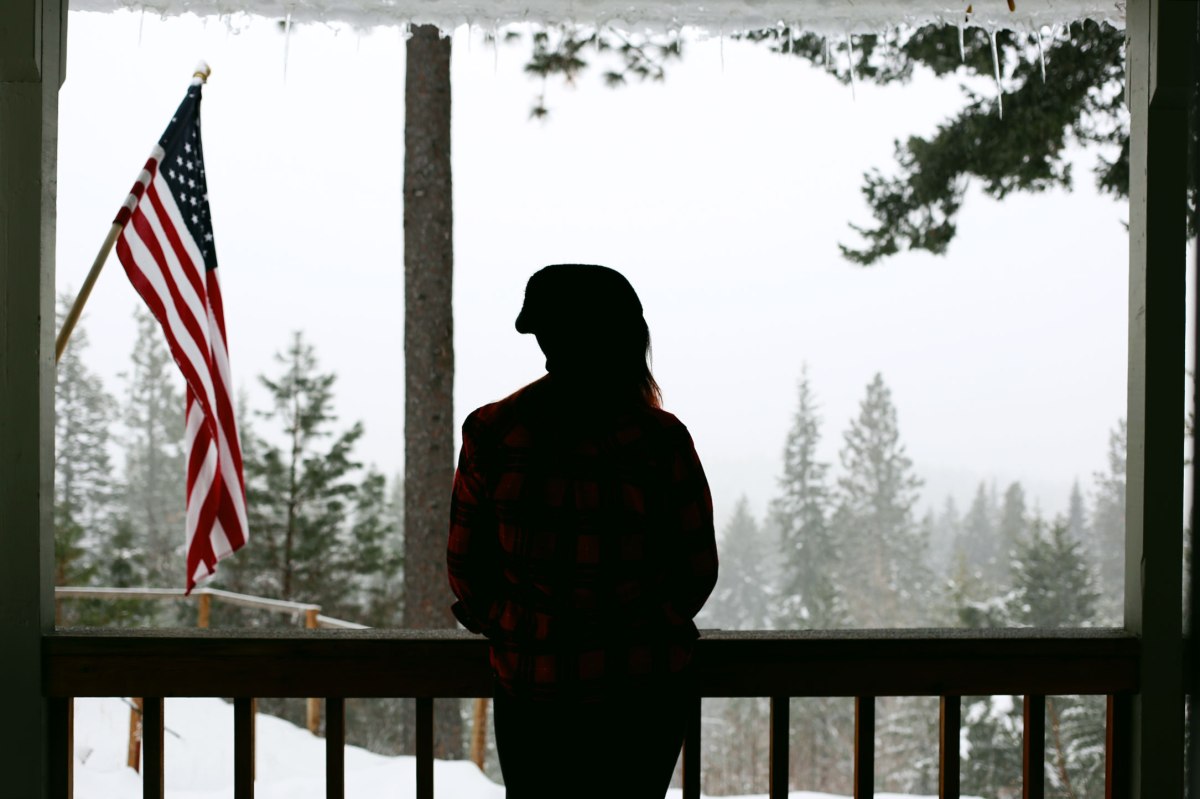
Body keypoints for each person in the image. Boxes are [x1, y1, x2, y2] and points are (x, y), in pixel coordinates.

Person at [447, 264, 719, 799]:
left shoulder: (495, 431)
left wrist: (519, 626)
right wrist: (637, 626)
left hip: (532, 687)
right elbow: (696, 572)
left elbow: (467, 572)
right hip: (643, 692)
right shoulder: (660, 441)